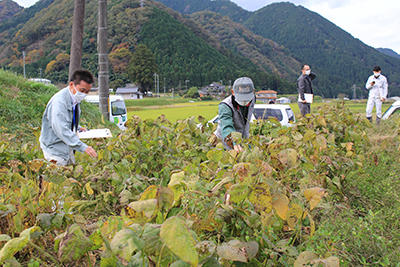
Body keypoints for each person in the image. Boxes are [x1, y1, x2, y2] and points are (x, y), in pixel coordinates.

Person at [39, 70, 97, 166]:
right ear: (71, 85)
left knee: (71, 174)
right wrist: (83, 147)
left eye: (87, 92)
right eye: (82, 90)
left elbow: (66, 120)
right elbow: (61, 129)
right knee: (57, 178)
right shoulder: (59, 102)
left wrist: (78, 128)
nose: (84, 94)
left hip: (66, 147)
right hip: (55, 149)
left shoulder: (74, 99)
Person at [214, 77, 255, 152]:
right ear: (233, 92)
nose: (244, 101)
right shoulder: (225, 105)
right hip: (225, 140)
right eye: (241, 98)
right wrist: (234, 142)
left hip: (243, 138)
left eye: (247, 98)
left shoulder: (252, 99)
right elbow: (227, 126)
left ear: (253, 92)